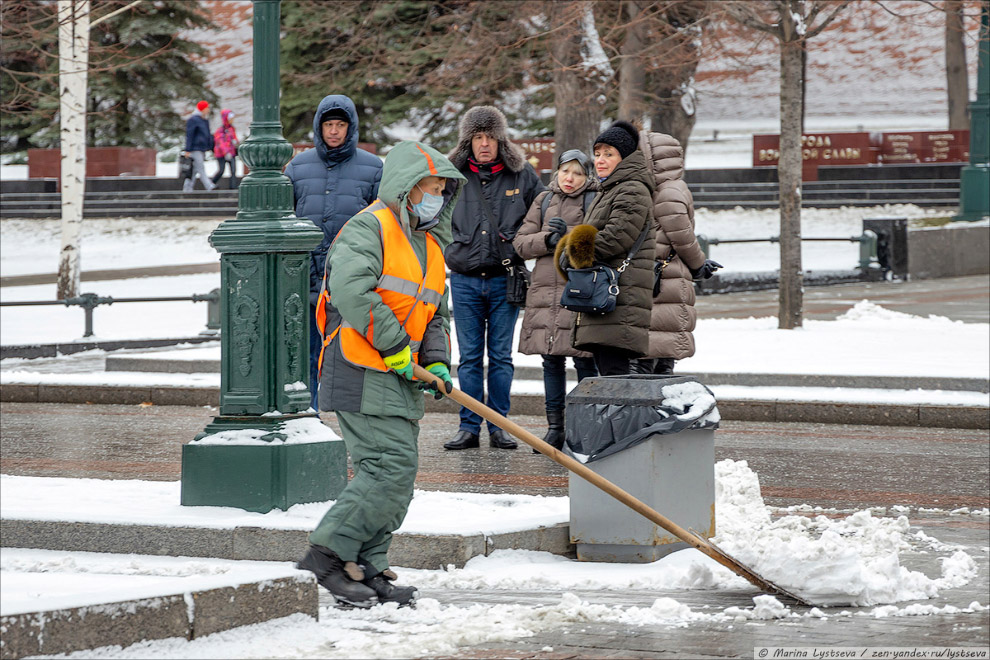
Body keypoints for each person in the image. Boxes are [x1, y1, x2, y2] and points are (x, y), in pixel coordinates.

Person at [297, 140, 465, 608]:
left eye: (442, 190)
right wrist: (395, 347)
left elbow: (436, 312)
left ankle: (365, 565)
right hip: (360, 365)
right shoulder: (368, 228)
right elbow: (353, 292)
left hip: (400, 372)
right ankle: (327, 554)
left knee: (398, 475)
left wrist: (434, 360)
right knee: (384, 468)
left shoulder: (429, 245)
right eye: (430, 187)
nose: (436, 196)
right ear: (406, 188)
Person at [442, 105, 546, 451]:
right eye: (477, 137)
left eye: (490, 137)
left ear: (501, 140)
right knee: (470, 358)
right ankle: (469, 425)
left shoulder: (522, 175)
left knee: (500, 357)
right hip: (465, 278)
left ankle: (499, 425)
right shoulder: (452, 176)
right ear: (467, 141)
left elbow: (544, 212)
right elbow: (429, 214)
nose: (484, 144)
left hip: (506, 278)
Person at [284, 94, 383, 411]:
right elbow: (285, 221)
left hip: (350, 284)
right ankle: (309, 418)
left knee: (350, 358)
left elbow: (381, 226)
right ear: (319, 126)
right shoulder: (299, 168)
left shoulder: (372, 168)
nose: (335, 131)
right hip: (307, 284)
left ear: (350, 127)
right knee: (308, 359)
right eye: (329, 124)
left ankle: (351, 423)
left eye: (341, 124)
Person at [513, 149, 599, 452]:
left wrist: (569, 236)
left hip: (578, 290)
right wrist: (549, 238)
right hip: (544, 292)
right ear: (557, 173)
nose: (570, 179)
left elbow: (599, 239)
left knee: (584, 359)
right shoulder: (544, 199)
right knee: (550, 361)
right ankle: (555, 428)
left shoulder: (595, 198)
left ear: (587, 176)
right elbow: (522, 243)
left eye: (577, 173)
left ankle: (584, 427)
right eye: (565, 172)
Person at [553, 120, 655, 376]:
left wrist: (571, 250)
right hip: (611, 301)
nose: (600, 160)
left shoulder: (631, 188)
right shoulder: (611, 188)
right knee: (611, 378)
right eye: (597, 154)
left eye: (609, 154)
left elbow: (614, 238)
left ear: (626, 158)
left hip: (621, 300)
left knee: (617, 379)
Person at [630, 132, 722, 376]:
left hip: (663, 278)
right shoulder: (661, 188)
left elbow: (682, 235)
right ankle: (654, 409)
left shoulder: (667, 191)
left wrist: (698, 264)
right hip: (662, 277)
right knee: (657, 352)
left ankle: (652, 410)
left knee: (655, 355)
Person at [182, 100, 215, 192]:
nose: (208, 109)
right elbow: (190, 135)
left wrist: (210, 146)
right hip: (195, 148)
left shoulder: (204, 120)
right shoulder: (193, 120)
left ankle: (187, 188)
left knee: (194, 169)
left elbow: (207, 134)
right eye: (207, 107)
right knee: (200, 167)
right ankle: (209, 186)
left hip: (202, 148)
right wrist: (188, 149)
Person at [211, 109, 239, 189]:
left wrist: (235, 142)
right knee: (221, 170)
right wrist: (226, 152)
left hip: (231, 152)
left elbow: (234, 138)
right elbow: (220, 143)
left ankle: (233, 186)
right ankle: (212, 183)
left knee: (233, 170)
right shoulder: (220, 130)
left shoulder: (232, 129)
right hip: (221, 154)